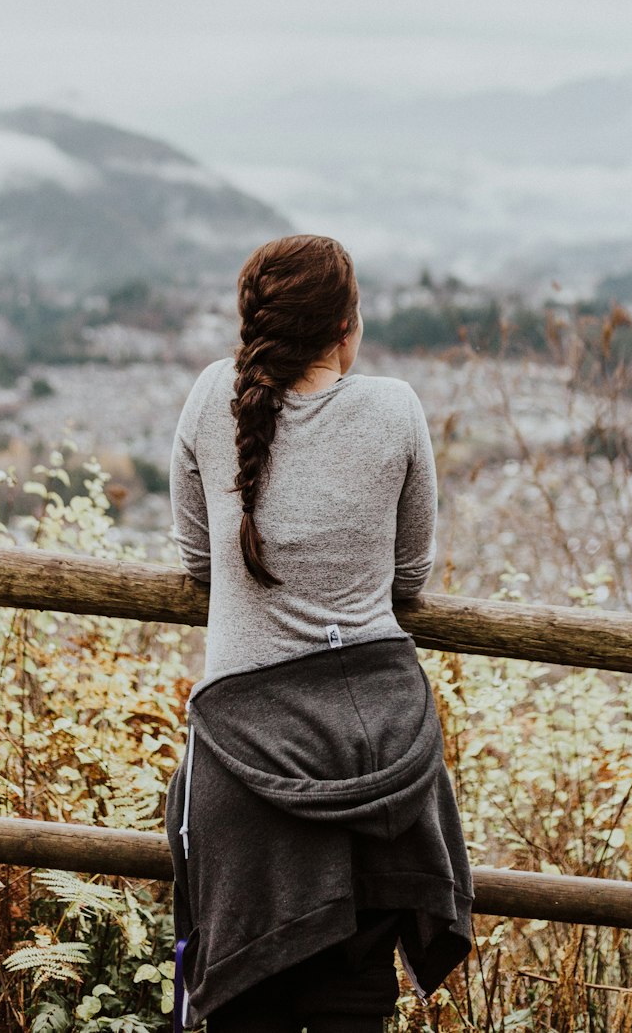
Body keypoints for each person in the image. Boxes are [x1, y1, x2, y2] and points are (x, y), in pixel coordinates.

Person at [165, 234, 473, 1033]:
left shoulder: (209, 399)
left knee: (244, 1005)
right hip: (377, 754)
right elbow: (411, 579)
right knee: (357, 999)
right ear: (347, 329)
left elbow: (198, 559)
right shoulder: (397, 409)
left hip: (245, 763)